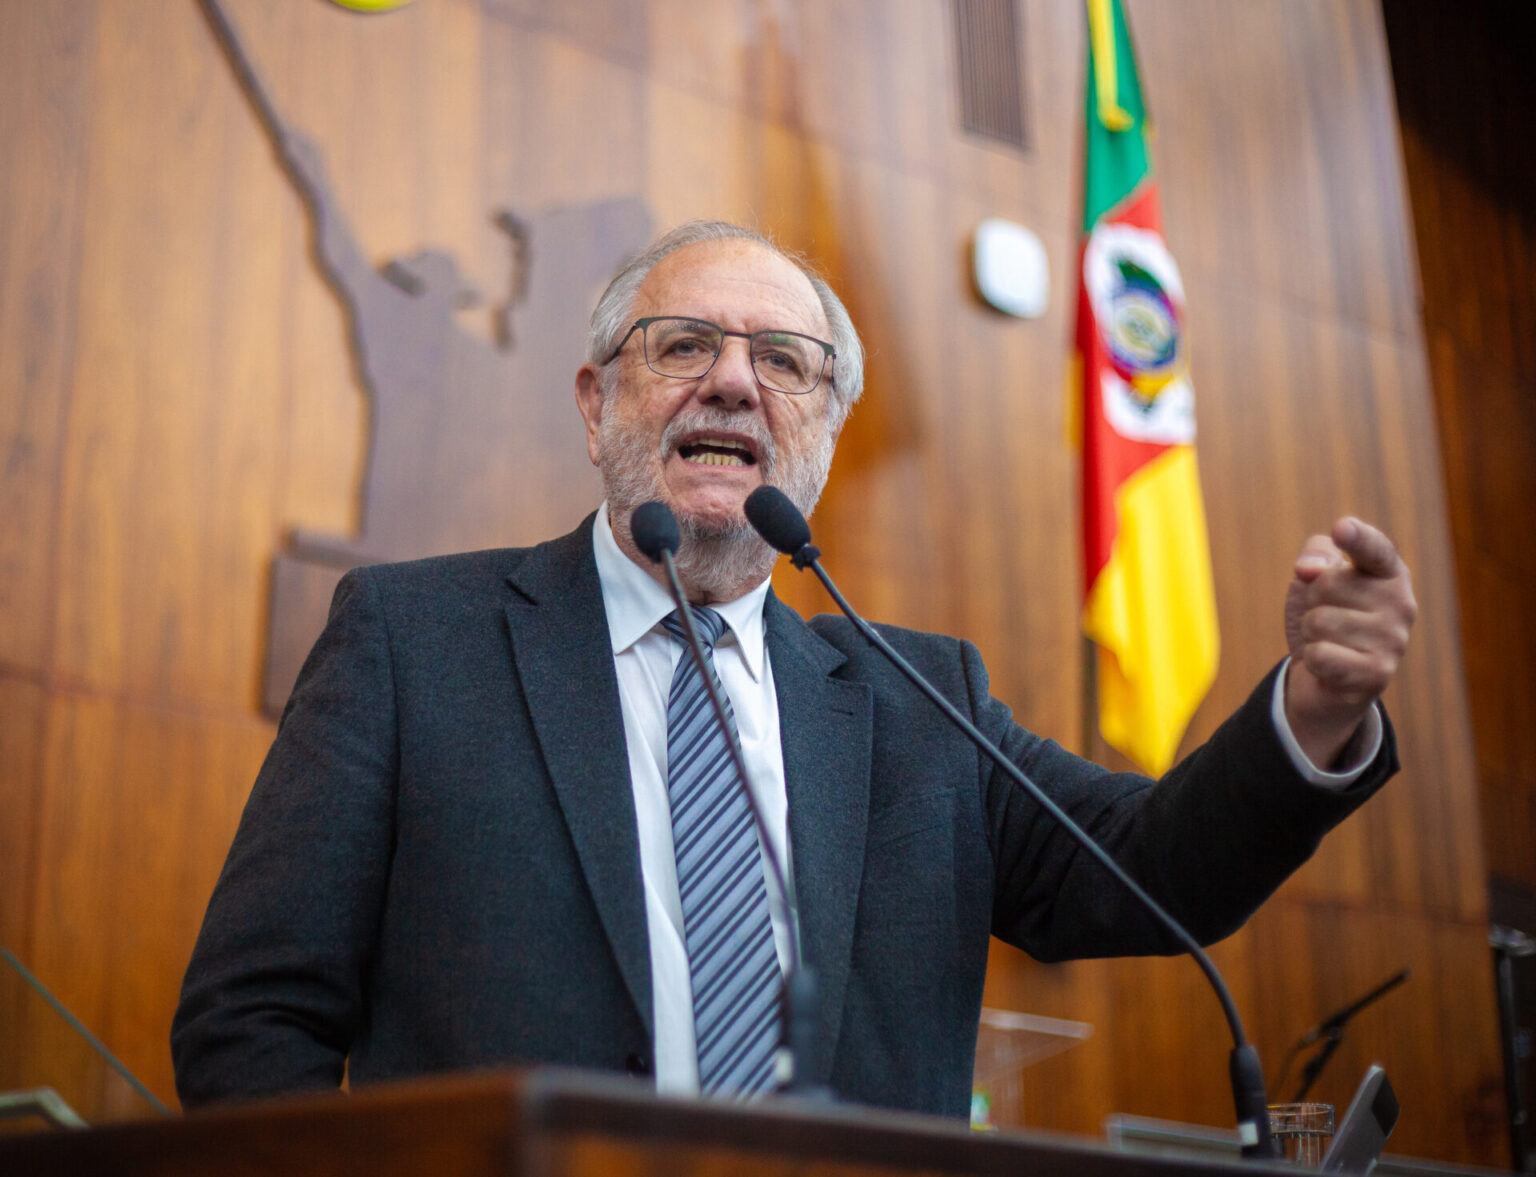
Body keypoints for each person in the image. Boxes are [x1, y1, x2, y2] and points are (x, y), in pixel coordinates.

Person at [171, 221, 1416, 1116]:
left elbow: (1153, 874)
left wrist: (1312, 711)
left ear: (823, 431)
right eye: (684, 345)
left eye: (785, 360)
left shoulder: (921, 703)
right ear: (598, 401)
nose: (733, 379)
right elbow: (252, 1018)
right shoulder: (413, 639)